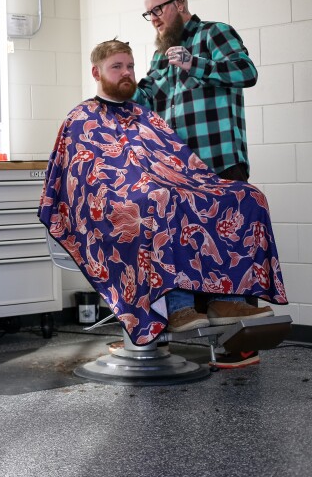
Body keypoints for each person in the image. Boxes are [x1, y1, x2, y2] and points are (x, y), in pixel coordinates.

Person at [39, 39, 285, 354]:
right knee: (161, 199)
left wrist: (191, 184)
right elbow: (79, 183)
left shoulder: (146, 116)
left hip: (156, 191)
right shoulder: (81, 118)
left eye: (130, 66)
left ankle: (228, 301)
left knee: (245, 196)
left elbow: (180, 161)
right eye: (117, 67)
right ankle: (178, 306)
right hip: (110, 209)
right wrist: (142, 187)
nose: (126, 73)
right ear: (96, 72)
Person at [132, 0, 268, 364]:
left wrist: (195, 63)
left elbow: (246, 72)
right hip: (181, 170)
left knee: (230, 246)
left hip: (221, 160)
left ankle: (237, 348)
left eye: (158, 10)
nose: (154, 20)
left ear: (179, 4)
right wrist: (117, 90)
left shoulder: (214, 33)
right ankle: (178, 320)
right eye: (149, 14)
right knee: (187, 248)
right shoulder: (161, 56)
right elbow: (146, 98)